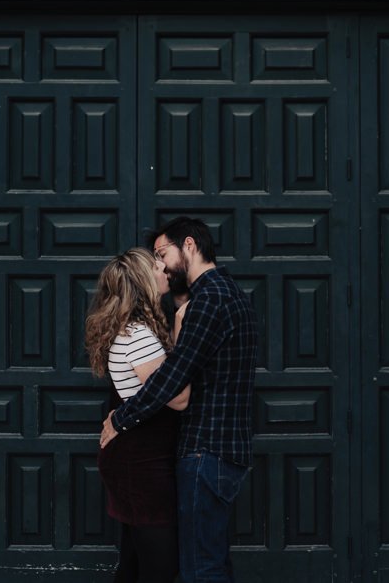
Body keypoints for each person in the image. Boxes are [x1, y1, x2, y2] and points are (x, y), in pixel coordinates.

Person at [101, 217, 258, 583]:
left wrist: (120, 419)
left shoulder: (209, 301)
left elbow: (170, 381)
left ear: (189, 245)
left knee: (201, 568)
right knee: (210, 561)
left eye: (162, 254)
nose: (162, 267)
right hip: (221, 450)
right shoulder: (227, 294)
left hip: (207, 451)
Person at [86, 248, 191, 583]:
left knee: (133, 562)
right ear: (144, 281)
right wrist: (180, 323)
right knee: (160, 566)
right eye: (155, 266)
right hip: (140, 464)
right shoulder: (139, 337)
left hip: (136, 459)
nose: (163, 268)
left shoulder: (133, 330)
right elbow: (179, 398)